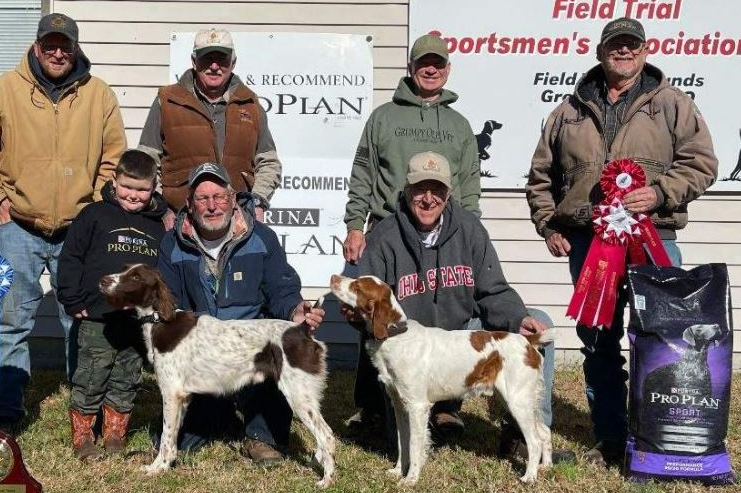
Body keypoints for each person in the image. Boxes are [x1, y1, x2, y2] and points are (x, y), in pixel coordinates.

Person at [526, 17, 717, 466]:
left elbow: (702, 163)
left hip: (655, 240)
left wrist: (660, 192)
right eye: (616, 45)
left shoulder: (672, 103)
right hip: (590, 246)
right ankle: (611, 440)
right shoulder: (568, 111)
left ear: (646, 50)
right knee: (598, 342)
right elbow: (540, 178)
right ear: (601, 51)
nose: (624, 52)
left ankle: (658, 440)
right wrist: (549, 225)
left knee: (664, 341)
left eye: (632, 45)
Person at [0, 12, 127, 432]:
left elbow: (114, 158)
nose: (57, 52)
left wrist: (94, 209)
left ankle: (82, 404)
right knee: (14, 319)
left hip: (78, 228)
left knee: (82, 317)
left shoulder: (99, 95)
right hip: (19, 225)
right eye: (49, 44)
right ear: (37, 46)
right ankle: (9, 407)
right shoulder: (3, 91)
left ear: (75, 48)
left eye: (64, 45)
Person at [351, 151, 575, 463]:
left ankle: (522, 435)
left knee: (538, 319)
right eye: (420, 190)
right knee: (397, 438)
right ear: (406, 191)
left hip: (461, 334)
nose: (429, 199)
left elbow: (492, 288)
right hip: (415, 348)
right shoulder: (385, 236)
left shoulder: (469, 229)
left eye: (437, 191)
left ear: (448, 194)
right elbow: (361, 298)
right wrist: (357, 316)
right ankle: (404, 413)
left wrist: (517, 317)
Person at [157, 162, 324, 464]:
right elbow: (169, 304)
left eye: (219, 197)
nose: (212, 206)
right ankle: (218, 418)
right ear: (189, 204)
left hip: (252, 352)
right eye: (202, 198)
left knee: (275, 363)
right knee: (182, 440)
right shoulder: (172, 243)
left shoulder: (262, 238)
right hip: (203, 357)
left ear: (233, 200)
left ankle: (262, 436)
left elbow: (281, 289)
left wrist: (296, 310)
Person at [57, 149, 167, 460]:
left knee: (126, 376)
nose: (134, 195)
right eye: (128, 187)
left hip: (136, 320)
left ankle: (115, 434)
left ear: (154, 187)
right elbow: (71, 258)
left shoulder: (158, 225)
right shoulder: (93, 215)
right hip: (97, 316)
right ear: (114, 181)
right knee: (92, 374)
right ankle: (83, 437)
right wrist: (72, 298)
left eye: (142, 190)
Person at [343, 30, 481, 265]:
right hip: (388, 228)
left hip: (446, 235)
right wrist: (355, 226)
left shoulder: (460, 125)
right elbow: (363, 176)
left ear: (448, 69)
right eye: (423, 63)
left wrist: (472, 229)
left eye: (438, 64)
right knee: (381, 302)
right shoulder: (382, 118)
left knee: (444, 302)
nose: (431, 70)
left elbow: (469, 184)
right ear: (410, 67)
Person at [139, 28, 281, 227]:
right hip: (179, 221)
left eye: (222, 59)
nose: (214, 66)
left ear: (233, 63)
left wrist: (257, 202)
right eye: (207, 58)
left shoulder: (250, 104)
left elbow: (269, 163)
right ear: (194, 61)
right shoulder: (167, 101)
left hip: (236, 220)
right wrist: (162, 208)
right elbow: (147, 161)